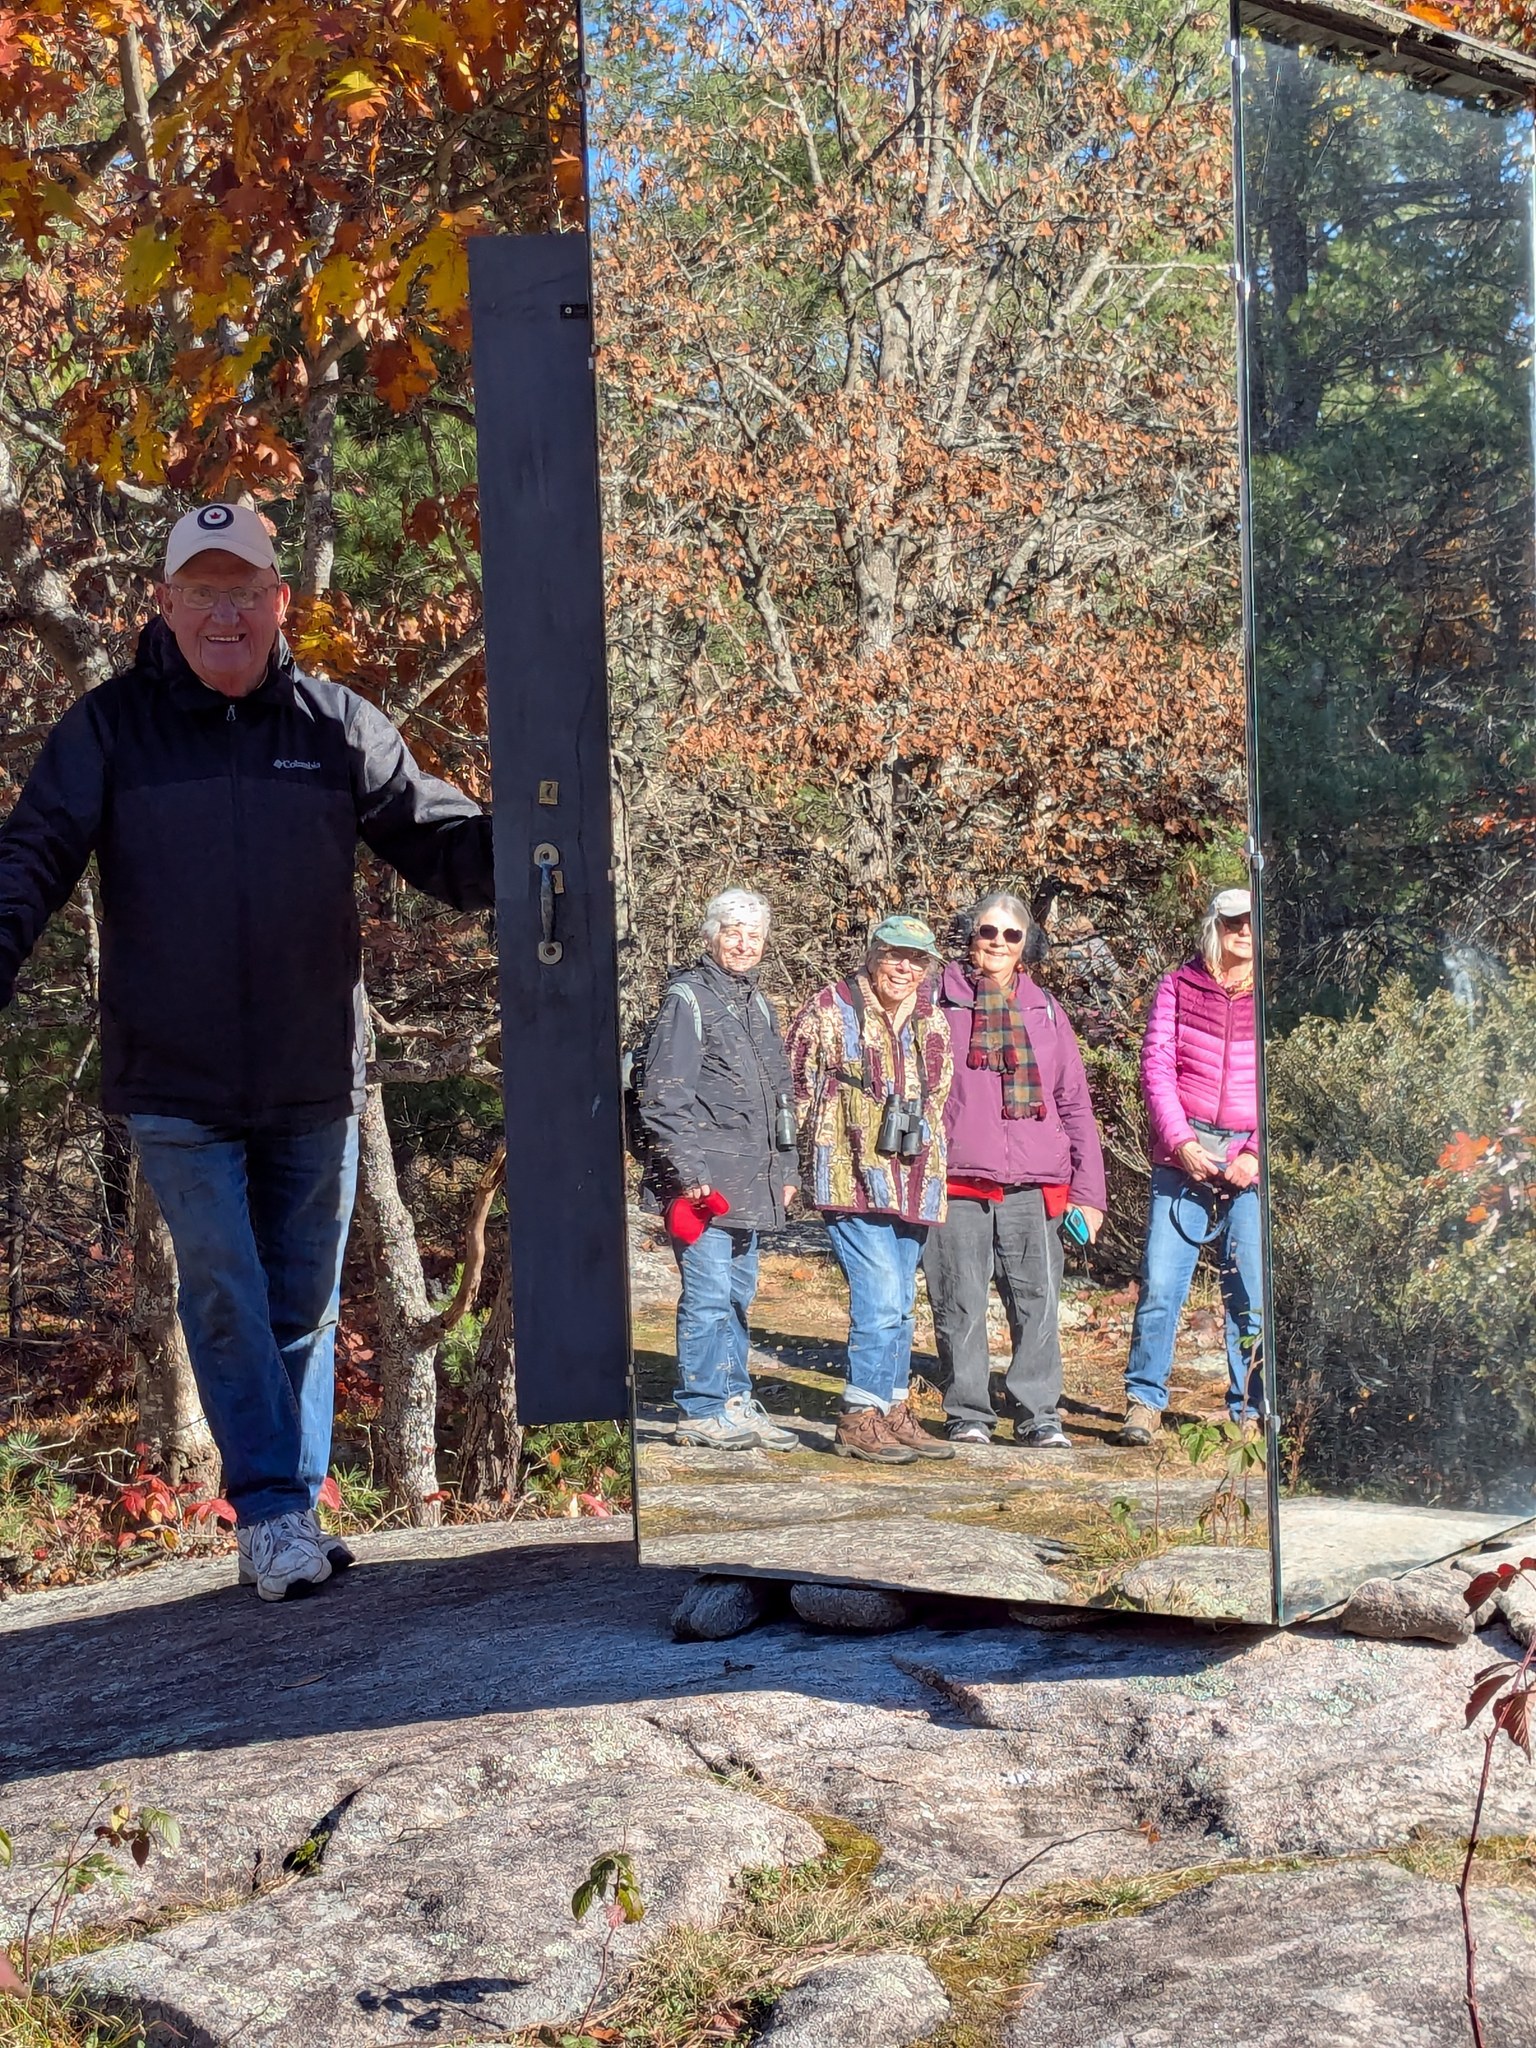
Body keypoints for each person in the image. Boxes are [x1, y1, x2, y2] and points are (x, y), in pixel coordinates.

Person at [0, 503, 494, 1599]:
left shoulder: (337, 726)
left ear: (280, 602)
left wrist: (543, 843)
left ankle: (291, 1511)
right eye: (202, 592)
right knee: (224, 1286)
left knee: (304, 1305)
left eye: (244, 591)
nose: (224, 613)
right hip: (175, 1080)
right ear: (166, 603)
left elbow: (439, 838)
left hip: (313, 1073)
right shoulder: (109, 730)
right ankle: (272, 1510)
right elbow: (30, 855)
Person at [925, 892, 1107, 1447]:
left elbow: (1074, 1103)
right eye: (988, 931)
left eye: (1011, 934)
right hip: (957, 1178)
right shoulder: (937, 1001)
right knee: (959, 1300)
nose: (998, 943)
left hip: (1035, 1181)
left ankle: (1038, 1414)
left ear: (1027, 944)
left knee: (1037, 1302)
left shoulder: (1046, 1010)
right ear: (970, 935)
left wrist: (1089, 1193)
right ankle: (968, 1412)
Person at [786, 916, 955, 1465]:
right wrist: (791, 1167)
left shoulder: (933, 1017)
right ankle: (859, 1416)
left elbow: (941, 1093)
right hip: (850, 1175)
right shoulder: (829, 1008)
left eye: (917, 959)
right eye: (894, 955)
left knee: (902, 1304)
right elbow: (794, 1087)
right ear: (872, 955)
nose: (905, 968)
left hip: (915, 1178)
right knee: (879, 1297)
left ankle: (892, 1406)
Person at [637, 889, 801, 1450]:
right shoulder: (687, 1000)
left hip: (753, 1182)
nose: (744, 944)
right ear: (710, 936)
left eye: (754, 935)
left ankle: (734, 1401)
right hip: (702, 1185)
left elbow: (781, 1095)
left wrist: (788, 1169)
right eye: (733, 932)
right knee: (707, 1298)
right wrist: (689, 1173)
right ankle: (701, 1409)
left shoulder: (759, 1006)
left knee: (735, 1296)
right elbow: (663, 1096)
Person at [1116, 885, 1262, 1445]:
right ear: (1214, 927)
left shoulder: (1270, 998)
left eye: (1252, 922)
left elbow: (1281, 1083)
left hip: (1248, 1164)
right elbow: (1156, 1069)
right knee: (1160, 1284)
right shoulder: (1176, 987)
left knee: (1249, 1295)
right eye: (1233, 923)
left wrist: (1254, 1153)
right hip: (1182, 1159)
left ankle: (1250, 1411)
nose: (1244, 932)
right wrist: (1181, 1143)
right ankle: (1144, 1401)